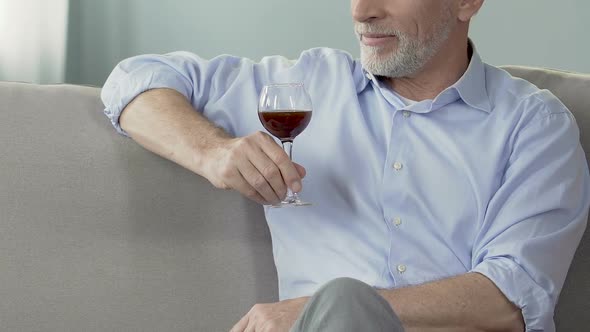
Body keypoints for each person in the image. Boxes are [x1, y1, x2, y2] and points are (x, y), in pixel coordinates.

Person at [101, 0, 589, 331]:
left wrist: (325, 312)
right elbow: (134, 81)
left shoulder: (534, 124)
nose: (361, 10)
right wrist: (212, 151)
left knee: (343, 300)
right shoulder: (303, 85)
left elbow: (512, 296)